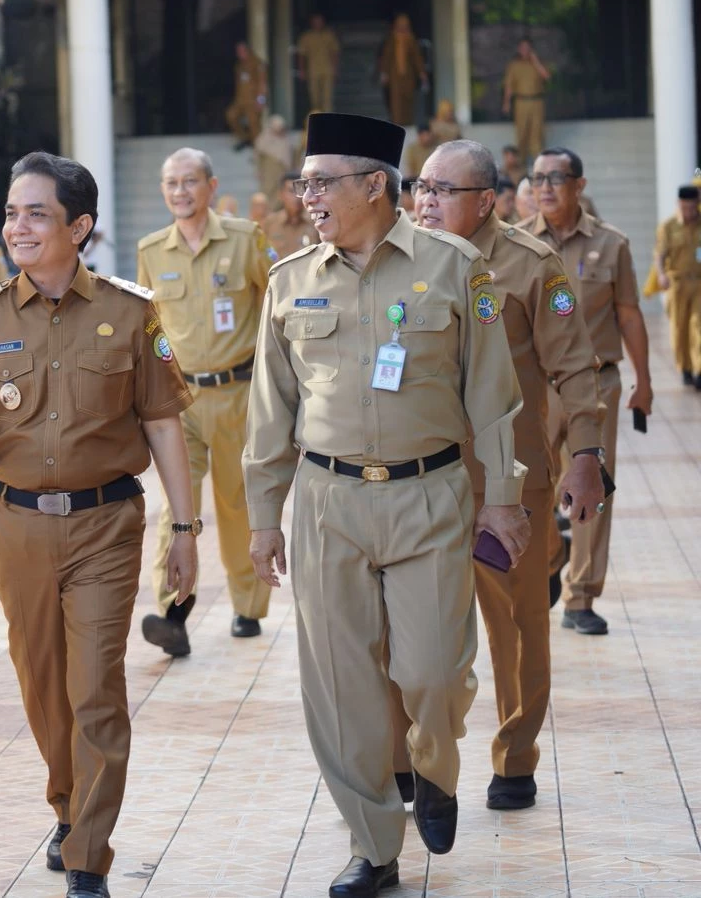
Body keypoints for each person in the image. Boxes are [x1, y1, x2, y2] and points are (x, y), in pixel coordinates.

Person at [244, 112, 529, 898]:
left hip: (430, 494)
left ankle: (433, 767)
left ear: (377, 185)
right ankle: (374, 846)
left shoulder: (454, 267)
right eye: (303, 183)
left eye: (322, 182)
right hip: (327, 501)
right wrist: (264, 515)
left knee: (433, 672)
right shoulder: (290, 281)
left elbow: (494, 399)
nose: (308, 197)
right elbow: (269, 410)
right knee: (340, 688)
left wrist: (502, 499)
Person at [0, 151, 197, 898]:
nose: (17, 225)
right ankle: (66, 804)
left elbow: (166, 423)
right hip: (12, 525)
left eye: (35, 213)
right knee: (43, 685)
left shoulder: (129, 311)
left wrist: (186, 530)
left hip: (106, 524)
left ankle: (88, 855)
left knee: (95, 689)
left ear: (79, 226)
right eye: (12, 211)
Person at [410, 139, 605, 813]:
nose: (425, 202)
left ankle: (514, 755)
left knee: (516, 625)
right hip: (417, 478)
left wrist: (584, 455)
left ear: (487, 200)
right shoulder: (397, 261)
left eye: (443, 191)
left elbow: (575, 367)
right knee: (406, 624)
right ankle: (411, 754)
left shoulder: (531, 267)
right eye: (421, 187)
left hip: (507, 478)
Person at [135, 148, 273, 657]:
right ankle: (174, 611)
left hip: (238, 395)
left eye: (189, 182)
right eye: (171, 183)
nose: (180, 192)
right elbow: (148, 328)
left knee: (238, 504)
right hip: (179, 402)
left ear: (211, 187)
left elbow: (274, 305)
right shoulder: (152, 251)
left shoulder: (245, 239)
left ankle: (247, 606)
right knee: (178, 507)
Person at [525, 147, 653, 635]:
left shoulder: (611, 244)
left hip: (597, 384)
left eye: (557, 177)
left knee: (592, 489)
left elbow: (628, 315)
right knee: (532, 485)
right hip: (537, 386)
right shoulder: (517, 246)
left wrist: (643, 382)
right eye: (539, 178)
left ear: (579, 185)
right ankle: (553, 556)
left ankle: (581, 596)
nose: (546, 187)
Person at [655, 184, 701, 387]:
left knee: (698, 325)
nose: (688, 212)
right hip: (678, 284)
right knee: (679, 328)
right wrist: (661, 275)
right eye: (685, 207)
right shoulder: (668, 226)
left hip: (699, 282)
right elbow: (660, 255)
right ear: (679, 204)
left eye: (692, 208)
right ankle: (685, 367)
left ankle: (699, 369)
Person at [503, 39, 552, 160]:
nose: (525, 50)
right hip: (521, 101)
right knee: (522, 132)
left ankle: (539, 162)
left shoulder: (538, 63)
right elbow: (509, 85)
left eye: (527, 48)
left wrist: (535, 61)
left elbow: (547, 77)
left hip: (537, 100)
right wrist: (506, 103)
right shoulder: (514, 65)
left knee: (537, 132)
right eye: (523, 47)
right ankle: (521, 163)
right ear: (519, 49)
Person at [377, 13, 427, 125]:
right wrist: (384, 73)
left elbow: (417, 58)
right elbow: (386, 57)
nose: (403, 27)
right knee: (396, 102)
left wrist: (421, 72)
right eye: (401, 24)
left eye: (405, 24)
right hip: (395, 77)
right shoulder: (392, 39)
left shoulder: (411, 39)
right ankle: (398, 124)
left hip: (409, 77)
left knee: (408, 100)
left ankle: (408, 123)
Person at [225, 40, 268, 149]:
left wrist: (261, 100)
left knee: (254, 125)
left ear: (247, 50)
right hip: (240, 100)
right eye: (238, 51)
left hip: (253, 100)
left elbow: (262, 83)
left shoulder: (257, 63)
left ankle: (259, 149)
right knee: (231, 115)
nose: (239, 53)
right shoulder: (239, 65)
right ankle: (245, 138)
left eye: (241, 51)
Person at [296, 13, 341, 112]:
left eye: (320, 21)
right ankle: (317, 120)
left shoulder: (329, 35)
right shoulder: (306, 37)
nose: (318, 24)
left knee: (327, 98)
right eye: (315, 22)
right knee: (314, 98)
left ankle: (328, 120)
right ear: (311, 23)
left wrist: (336, 70)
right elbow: (301, 55)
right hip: (313, 71)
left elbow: (334, 53)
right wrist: (301, 70)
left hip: (327, 70)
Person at [263, 173, 314, 259]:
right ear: (281, 194)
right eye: (291, 191)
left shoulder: (315, 222)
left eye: (300, 191)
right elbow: (264, 253)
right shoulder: (270, 223)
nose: (296, 196)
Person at [254, 114, 294, 204]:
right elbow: (258, 159)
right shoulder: (264, 140)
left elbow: (290, 158)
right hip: (269, 172)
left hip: (283, 171)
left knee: (281, 192)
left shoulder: (286, 140)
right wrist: (258, 171)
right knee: (268, 192)